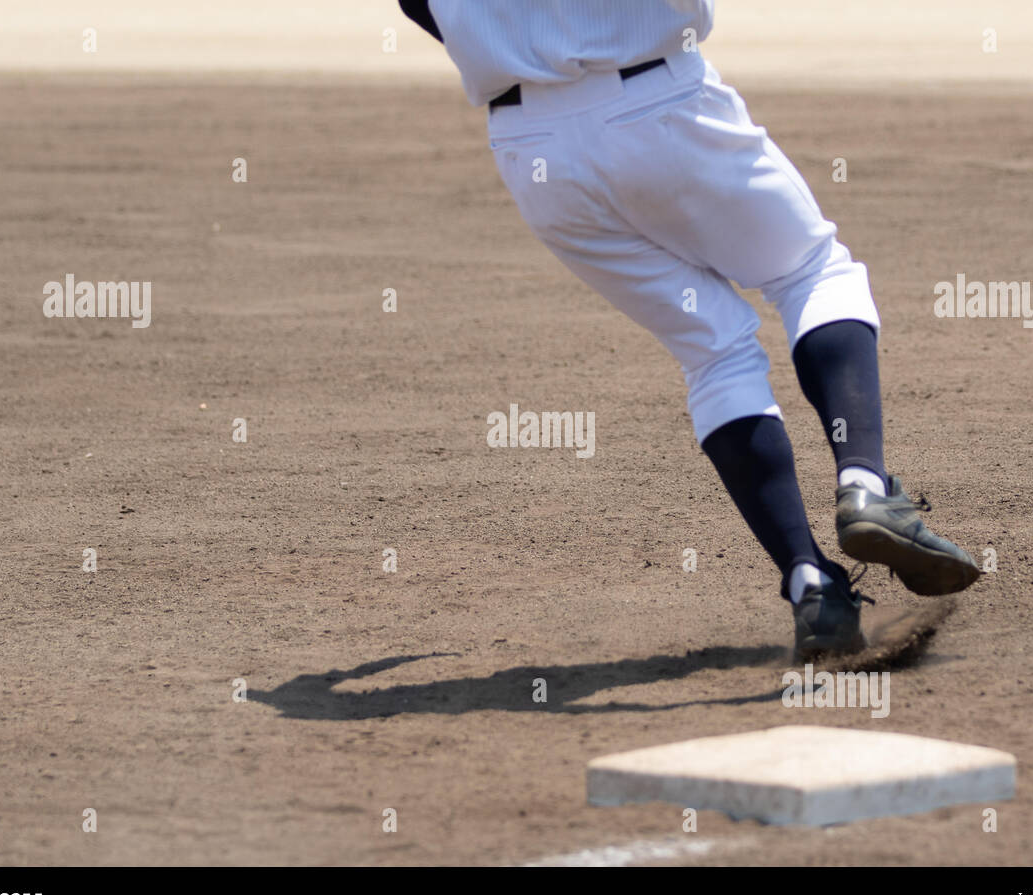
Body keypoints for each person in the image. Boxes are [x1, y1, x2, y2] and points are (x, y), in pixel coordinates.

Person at [397, 1, 981, 661]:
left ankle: (810, 581)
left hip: (533, 147)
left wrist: (504, 38)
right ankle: (866, 489)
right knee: (811, 273)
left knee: (713, 351)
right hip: (658, 103)